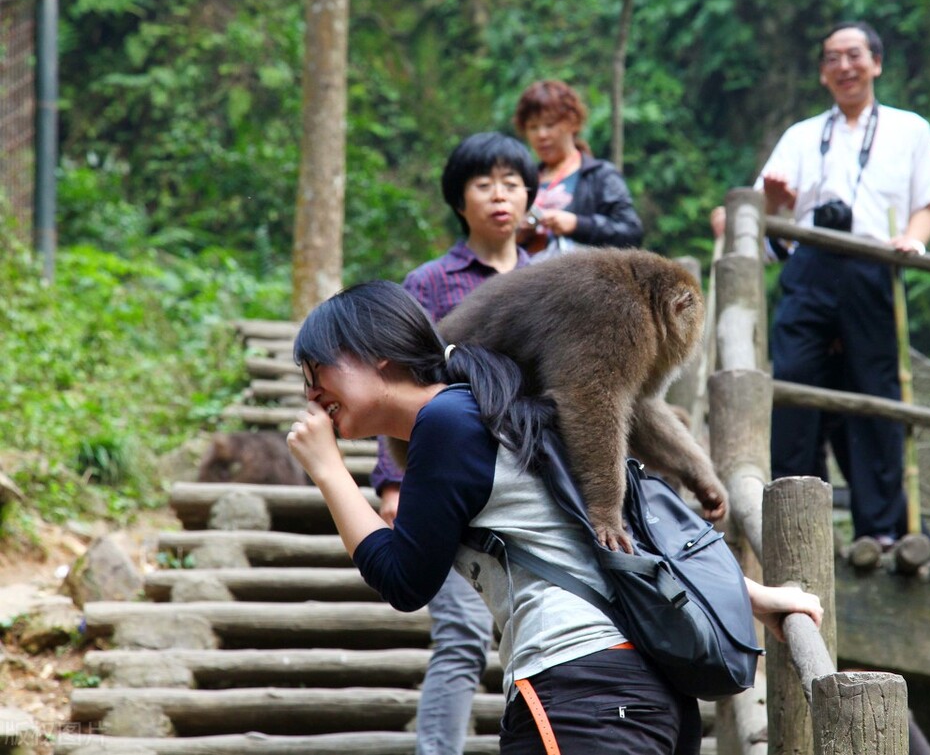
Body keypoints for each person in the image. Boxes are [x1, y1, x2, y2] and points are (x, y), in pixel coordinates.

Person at [287, 280, 824, 754]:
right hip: (639, 696)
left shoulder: (449, 421)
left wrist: (330, 473)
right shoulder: (494, 411)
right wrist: (752, 595)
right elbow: (602, 544)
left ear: (374, 353)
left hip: (582, 693)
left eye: (318, 372)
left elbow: (405, 581)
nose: (311, 394)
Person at [369, 131, 536, 755]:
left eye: (512, 184)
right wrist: (392, 480)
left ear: (530, 198)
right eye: (483, 184)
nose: (500, 196)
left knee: (530, 635)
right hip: (439, 483)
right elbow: (394, 383)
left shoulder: (548, 280)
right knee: (464, 633)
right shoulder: (430, 283)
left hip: (522, 488)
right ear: (458, 200)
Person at [756, 21, 930, 547]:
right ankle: (793, 521)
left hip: (872, 263)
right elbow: (763, 219)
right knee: (793, 384)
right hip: (811, 263)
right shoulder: (800, 136)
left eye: (854, 55)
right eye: (832, 58)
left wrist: (912, 241)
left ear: (876, 63)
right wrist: (773, 200)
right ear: (822, 73)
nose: (844, 66)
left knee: (875, 389)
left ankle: (882, 529)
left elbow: (926, 202)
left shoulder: (910, 129)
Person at [513, 79, 643, 259]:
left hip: (583, 281)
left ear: (572, 123)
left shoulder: (601, 175)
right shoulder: (523, 181)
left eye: (550, 124)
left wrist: (578, 225)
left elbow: (631, 233)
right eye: (533, 127)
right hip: (528, 279)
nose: (541, 135)